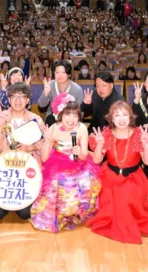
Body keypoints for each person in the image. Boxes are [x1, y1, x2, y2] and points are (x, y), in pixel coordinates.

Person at [30, 94, 101, 232]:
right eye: (68, 114)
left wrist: (79, 152)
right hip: (56, 160)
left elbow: (84, 155)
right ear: (60, 114)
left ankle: (77, 212)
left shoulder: (81, 129)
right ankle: (57, 214)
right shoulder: (53, 128)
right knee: (57, 179)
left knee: (87, 179)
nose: (72, 119)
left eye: (75, 115)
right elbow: (44, 159)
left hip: (78, 161)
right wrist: (48, 141)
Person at [87, 101, 148, 244]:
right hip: (109, 176)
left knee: (126, 197)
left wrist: (146, 145)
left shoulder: (138, 134)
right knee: (114, 199)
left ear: (130, 117)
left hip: (133, 177)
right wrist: (99, 145)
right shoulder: (107, 133)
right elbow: (97, 160)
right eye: (117, 115)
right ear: (111, 118)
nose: (121, 119)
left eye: (125, 114)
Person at [0, 83, 45, 220]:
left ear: (27, 100)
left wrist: (29, 148)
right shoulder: (0, 117)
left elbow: (43, 145)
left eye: (22, 97)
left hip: (27, 170)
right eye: (14, 96)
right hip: (5, 170)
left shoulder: (36, 119)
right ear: (9, 99)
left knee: (25, 214)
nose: (18, 100)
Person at [37, 60, 84, 126]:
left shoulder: (77, 89)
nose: (60, 75)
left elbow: (80, 113)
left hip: (71, 120)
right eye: (57, 72)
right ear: (54, 74)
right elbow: (41, 105)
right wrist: (45, 94)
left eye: (63, 72)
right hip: (52, 118)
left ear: (69, 74)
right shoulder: (50, 85)